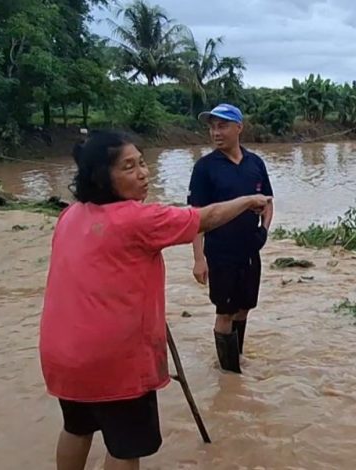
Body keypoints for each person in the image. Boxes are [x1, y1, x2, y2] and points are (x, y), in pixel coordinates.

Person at [39, 131, 271, 470]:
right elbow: (204, 218)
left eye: (142, 162)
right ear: (101, 177)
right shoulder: (138, 219)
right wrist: (248, 201)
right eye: (129, 167)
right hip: (112, 360)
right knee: (124, 447)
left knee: (77, 428)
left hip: (64, 353)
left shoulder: (71, 215)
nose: (143, 174)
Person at [188, 103, 274, 374]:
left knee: (244, 307)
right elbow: (195, 217)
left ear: (239, 128)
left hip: (249, 250)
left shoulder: (255, 163)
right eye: (212, 127)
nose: (216, 132)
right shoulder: (204, 168)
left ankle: (236, 358)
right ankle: (228, 371)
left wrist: (264, 231)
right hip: (220, 252)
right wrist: (199, 259)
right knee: (224, 312)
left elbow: (268, 202)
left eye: (222, 126)